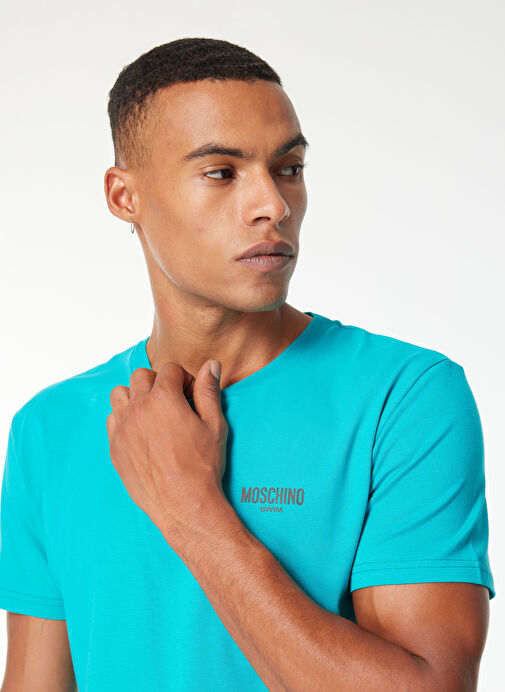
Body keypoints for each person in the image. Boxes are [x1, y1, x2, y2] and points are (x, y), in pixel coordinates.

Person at [0, 37, 495, 691]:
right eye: (221, 172)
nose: (273, 205)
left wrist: (189, 508)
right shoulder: (50, 427)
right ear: (124, 197)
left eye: (288, 168)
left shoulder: (403, 398)